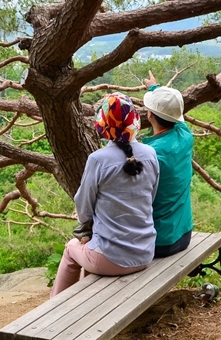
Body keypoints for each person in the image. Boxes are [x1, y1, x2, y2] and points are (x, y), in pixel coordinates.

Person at [51, 93, 160, 297]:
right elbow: (150, 197)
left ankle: (54, 306)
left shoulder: (98, 159)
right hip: (145, 253)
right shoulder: (150, 154)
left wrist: (87, 227)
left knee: (72, 248)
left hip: (110, 259)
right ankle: (83, 301)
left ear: (102, 125)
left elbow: (83, 204)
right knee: (92, 249)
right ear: (135, 122)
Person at [141, 72, 194, 258]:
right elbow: (172, 112)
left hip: (157, 242)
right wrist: (154, 88)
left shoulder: (149, 154)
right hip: (183, 235)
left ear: (150, 115)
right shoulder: (185, 135)